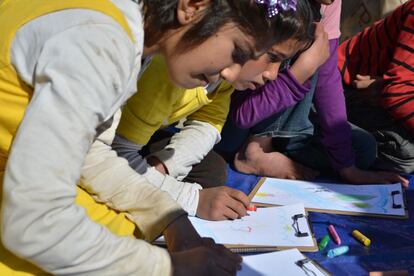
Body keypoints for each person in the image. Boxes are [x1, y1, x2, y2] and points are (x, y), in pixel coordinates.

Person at [0, 0, 302, 275]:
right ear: (193, 6)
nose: (231, 74)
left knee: (123, 226)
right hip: (23, 206)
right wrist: (167, 266)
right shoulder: (101, 42)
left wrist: (170, 219)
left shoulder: (124, 33)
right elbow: (32, 222)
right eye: (236, 52)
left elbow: (90, 154)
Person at [110, 1, 315, 221]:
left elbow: (209, 120)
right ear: (192, 8)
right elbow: (111, 160)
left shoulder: (217, 73)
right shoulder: (160, 70)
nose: (273, 75)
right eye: (270, 56)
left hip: (125, 147)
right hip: (119, 147)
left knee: (212, 169)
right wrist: (191, 199)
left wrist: (165, 168)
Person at [216, 0, 409, 186]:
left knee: (362, 149)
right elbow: (243, 115)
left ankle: (275, 141)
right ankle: (259, 146)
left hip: (273, 109)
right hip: (230, 125)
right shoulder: (277, 8)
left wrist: (348, 168)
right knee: (312, 39)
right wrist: (302, 70)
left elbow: (327, 80)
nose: (272, 74)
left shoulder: (328, 6)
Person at [338, 0, 414, 174]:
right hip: (344, 90)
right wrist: (391, 88)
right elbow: (398, 95)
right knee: (405, 153)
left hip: (387, 92)